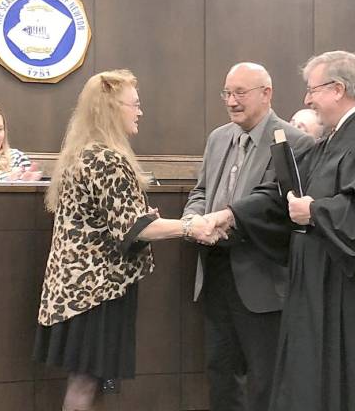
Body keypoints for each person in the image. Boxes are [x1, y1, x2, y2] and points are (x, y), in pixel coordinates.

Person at [211, 51, 355, 410]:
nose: (306, 99)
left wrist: (316, 211)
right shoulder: (332, 142)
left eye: (312, 90)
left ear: (337, 89)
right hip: (323, 291)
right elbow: (282, 197)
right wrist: (231, 216)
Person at [33, 69, 221, 411]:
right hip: (95, 291)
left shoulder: (83, 153)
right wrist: (191, 225)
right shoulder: (107, 158)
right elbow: (135, 228)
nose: (140, 111)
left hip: (75, 288)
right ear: (110, 108)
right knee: (86, 380)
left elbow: (108, 220)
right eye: (134, 104)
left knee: (90, 379)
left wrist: (144, 218)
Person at [182, 62, 313, 411]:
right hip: (215, 271)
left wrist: (228, 218)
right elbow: (201, 190)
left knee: (264, 377)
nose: (231, 101)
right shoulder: (218, 137)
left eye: (240, 92)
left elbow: (274, 202)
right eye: (227, 93)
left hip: (262, 279)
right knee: (221, 371)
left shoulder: (295, 142)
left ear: (266, 94)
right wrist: (192, 220)